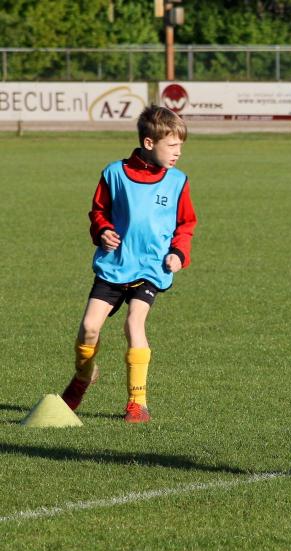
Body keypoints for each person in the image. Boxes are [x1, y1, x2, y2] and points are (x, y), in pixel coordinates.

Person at [61, 105, 197, 424]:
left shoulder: (178, 181)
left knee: (134, 323)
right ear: (149, 143)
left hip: (151, 267)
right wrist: (103, 231)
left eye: (181, 146)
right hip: (115, 265)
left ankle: (138, 402)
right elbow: (98, 212)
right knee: (89, 328)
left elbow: (186, 223)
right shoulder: (114, 173)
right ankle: (83, 377)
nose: (178, 152)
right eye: (172, 145)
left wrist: (178, 252)